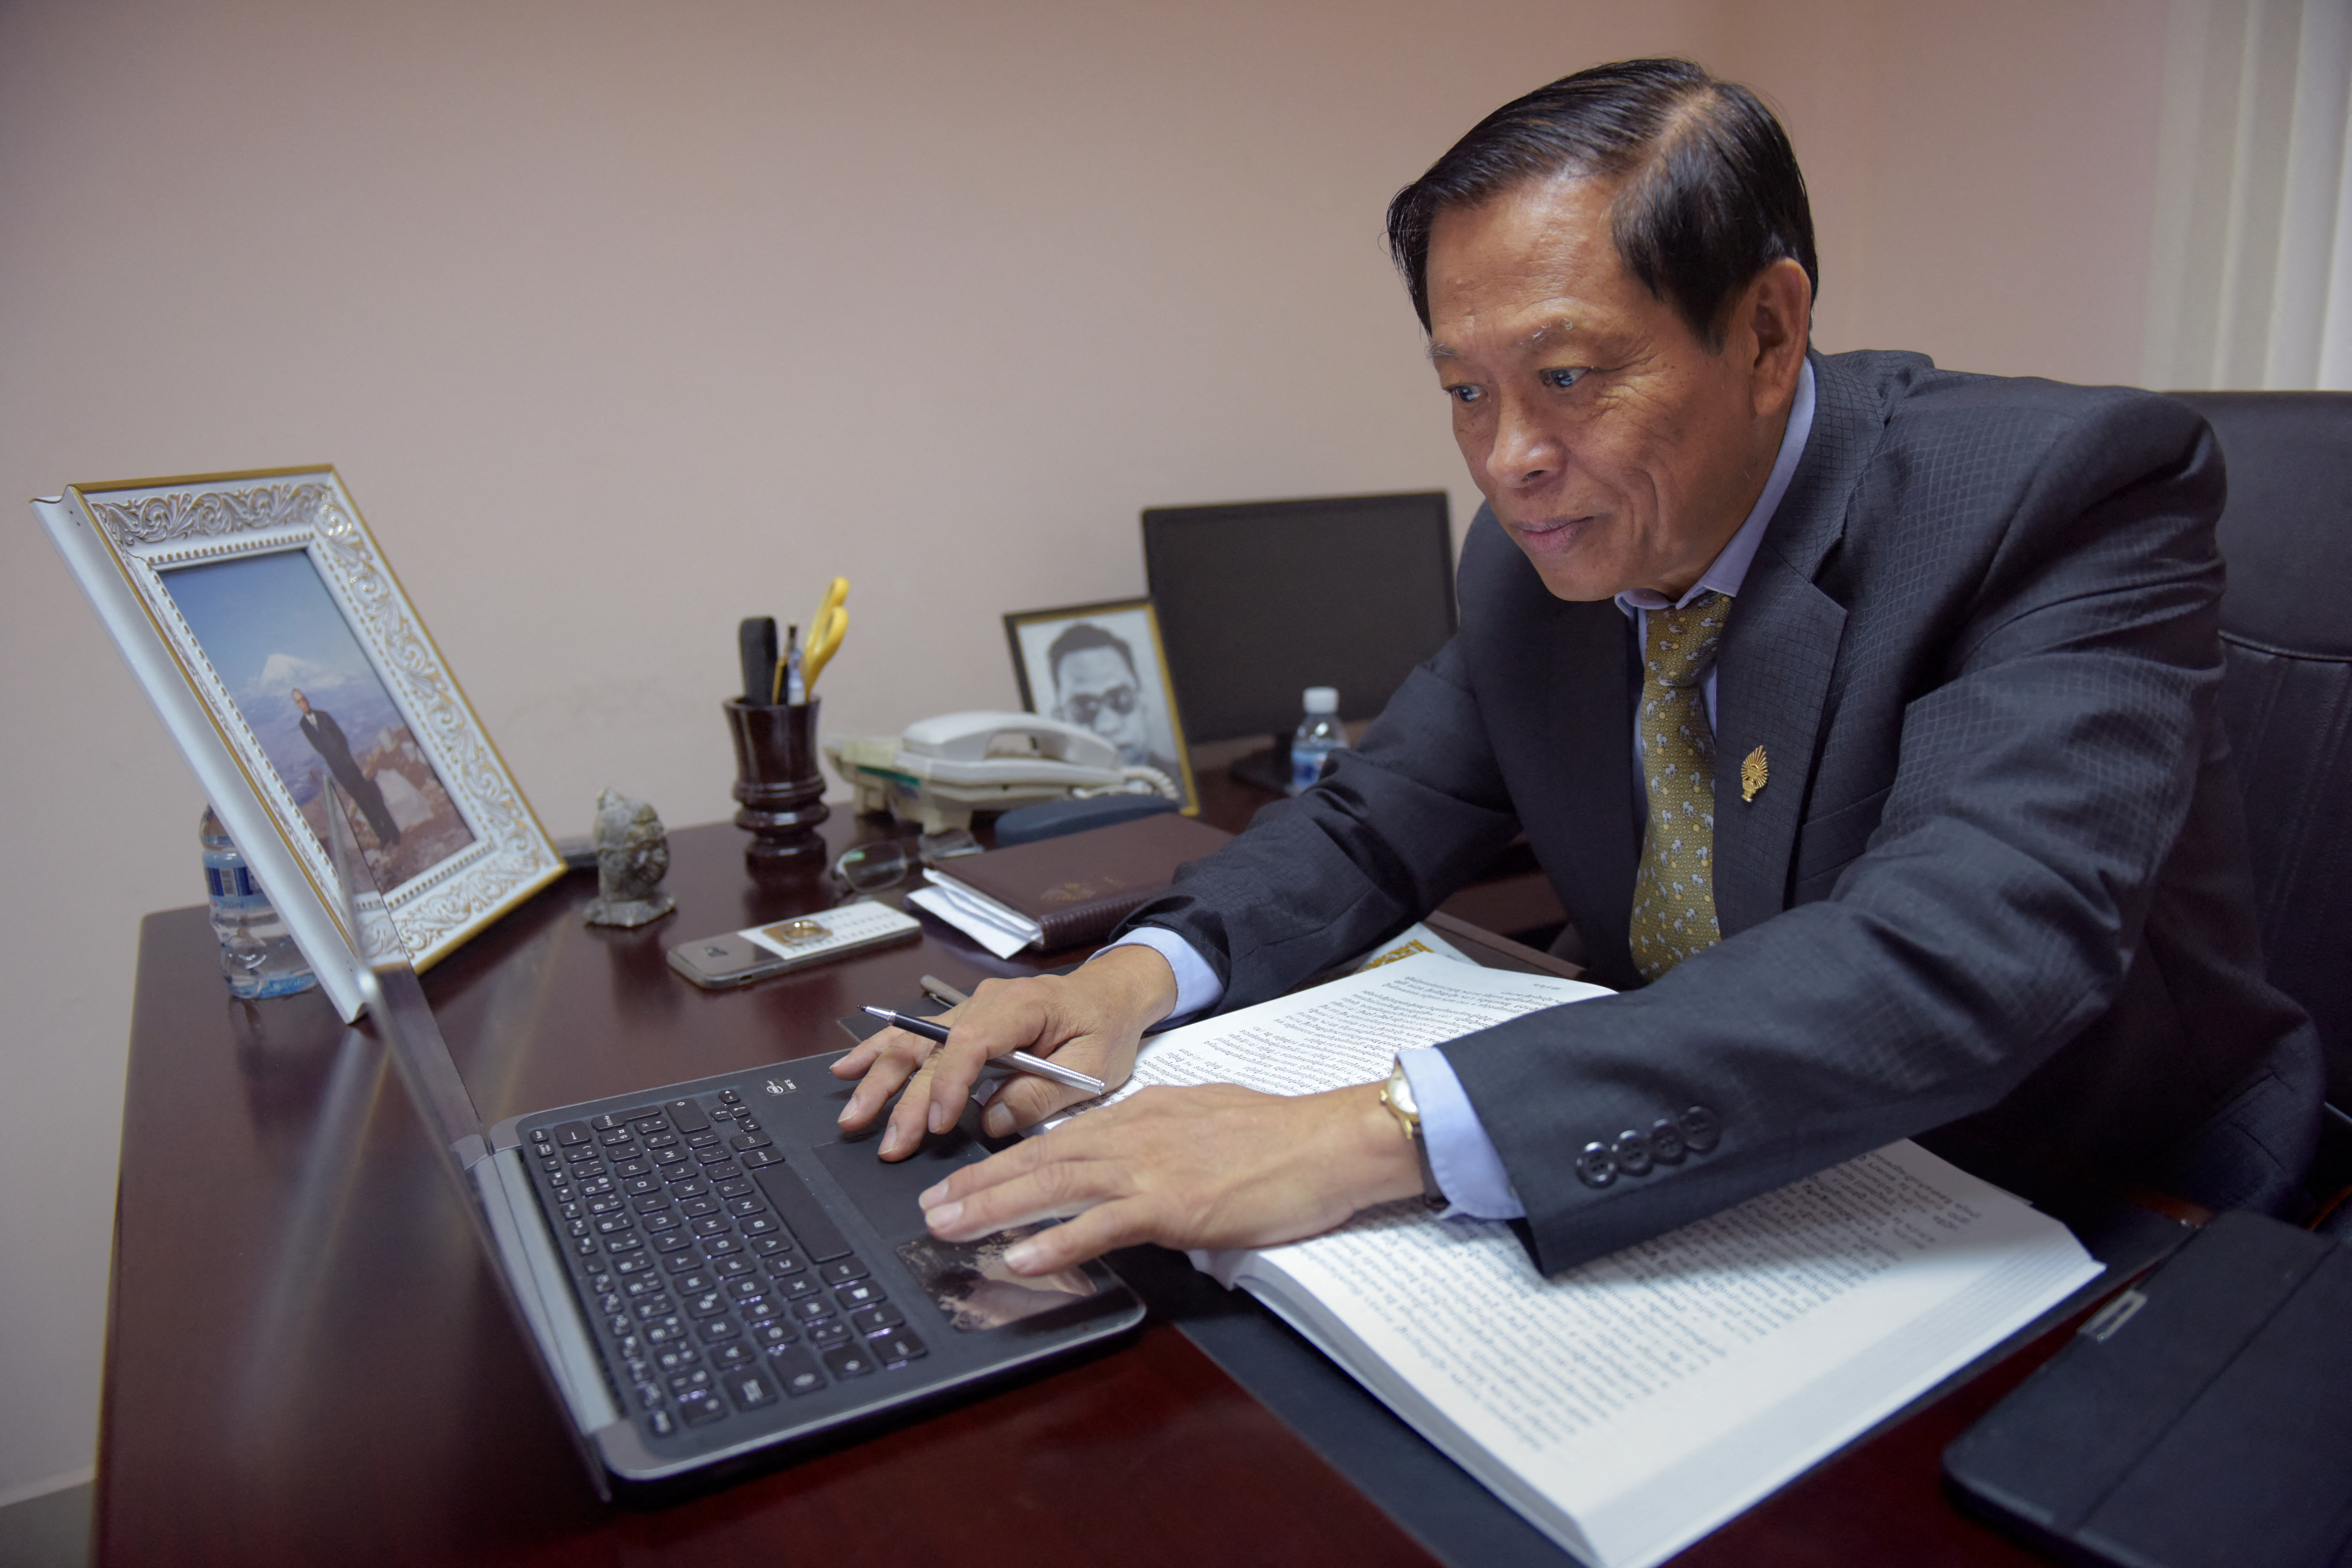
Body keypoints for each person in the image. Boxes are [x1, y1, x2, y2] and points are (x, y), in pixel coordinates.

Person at [837, 59, 2323, 1283]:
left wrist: (1368, 1134)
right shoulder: (1534, 557)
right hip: (1735, 1183)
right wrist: (1129, 979)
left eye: (1569, 378)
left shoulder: (2055, 494)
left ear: (1767, 328)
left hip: (2097, 1201)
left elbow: (1968, 951)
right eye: (1465, 395)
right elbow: (1371, 821)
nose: (1513, 464)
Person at [1046, 621, 1181, 783]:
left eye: (1120, 699)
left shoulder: (1184, 784)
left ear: (1143, 702)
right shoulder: (1050, 803)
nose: (1108, 726)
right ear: (1060, 720)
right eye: (1084, 708)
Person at [292, 687, 401, 850]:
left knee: (370, 797)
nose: (303, 703)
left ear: (307, 699)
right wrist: (334, 759)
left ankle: (394, 833)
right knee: (360, 802)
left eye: (304, 699)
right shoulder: (304, 725)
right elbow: (318, 746)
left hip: (348, 764)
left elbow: (340, 737)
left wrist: (342, 756)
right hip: (338, 770)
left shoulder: (323, 715)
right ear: (297, 705)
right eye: (299, 702)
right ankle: (383, 836)